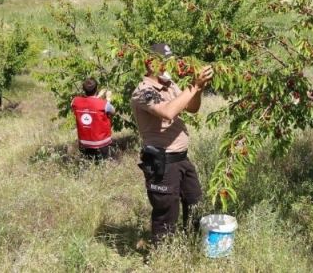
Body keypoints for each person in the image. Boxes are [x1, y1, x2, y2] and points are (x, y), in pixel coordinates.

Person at [131, 42, 214, 245]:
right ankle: (162, 255)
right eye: (164, 62)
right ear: (150, 63)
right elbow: (168, 112)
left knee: (194, 202)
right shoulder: (143, 92)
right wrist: (193, 85)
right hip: (163, 162)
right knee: (166, 212)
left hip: (182, 159)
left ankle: (192, 244)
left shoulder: (170, 84)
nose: (169, 66)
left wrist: (199, 89)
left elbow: (192, 108)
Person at [70, 77, 115, 160]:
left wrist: (97, 97)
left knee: (88, 161)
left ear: (84, 89)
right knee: (104, 161)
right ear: (96, 88)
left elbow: (76, 104)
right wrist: (108, 99)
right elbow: (112, 111)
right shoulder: (104, 103)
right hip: (101, 142)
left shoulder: (75, 101)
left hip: (84, 142)